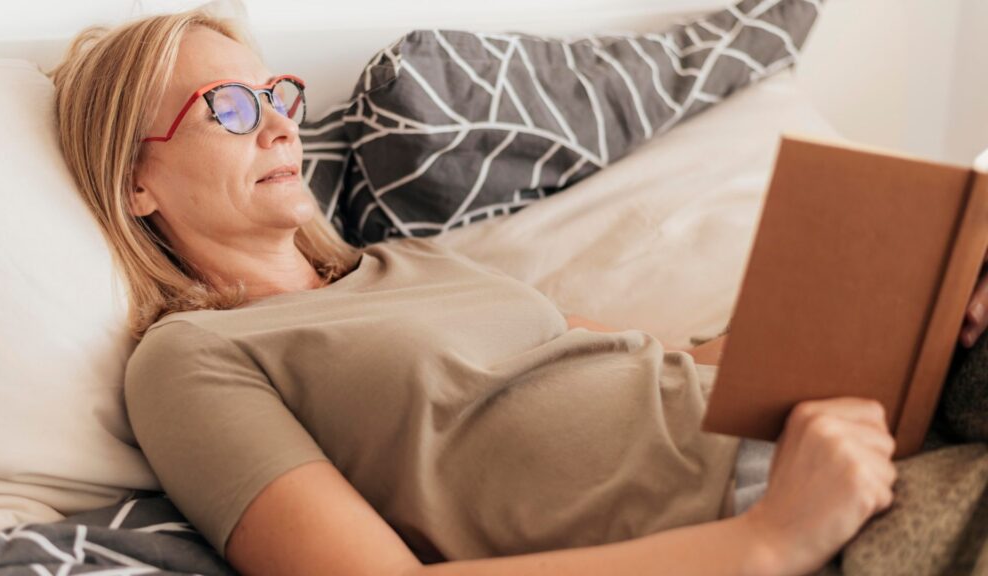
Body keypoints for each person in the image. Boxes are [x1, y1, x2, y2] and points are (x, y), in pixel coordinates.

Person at [48, 8, 911, 576]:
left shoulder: (412, 262)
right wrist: (767, 541)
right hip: (753, 515)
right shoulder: (192, 358)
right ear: (136, 185)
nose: (278, 123)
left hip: (824, 422)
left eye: (277, 94)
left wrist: (898, 299)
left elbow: (665, 364)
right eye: (226, 107)